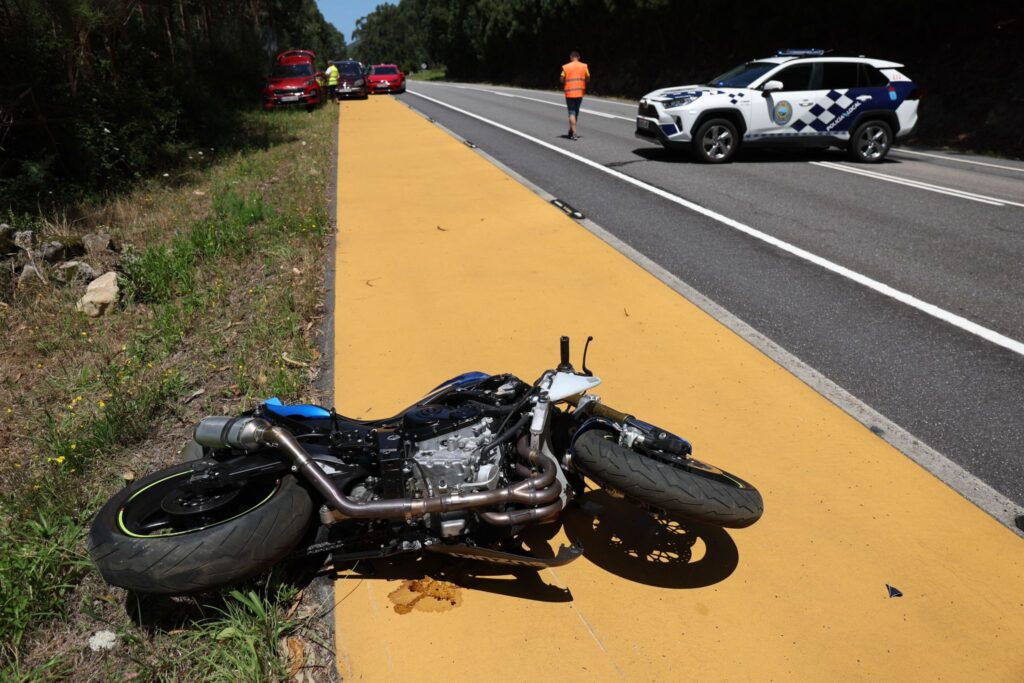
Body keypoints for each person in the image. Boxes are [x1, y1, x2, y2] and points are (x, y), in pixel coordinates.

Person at [560, 51, 590, 140]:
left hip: (570, 93)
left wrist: (565, 82)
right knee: (576, 113)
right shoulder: (584, 66)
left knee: (571, 113)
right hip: (580, 92)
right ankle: (571, 131)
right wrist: (584, 82)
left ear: (571, 57)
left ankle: (574, 133)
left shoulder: (566, 67)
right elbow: (588, 77)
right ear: (579, 57)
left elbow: (561, 78)